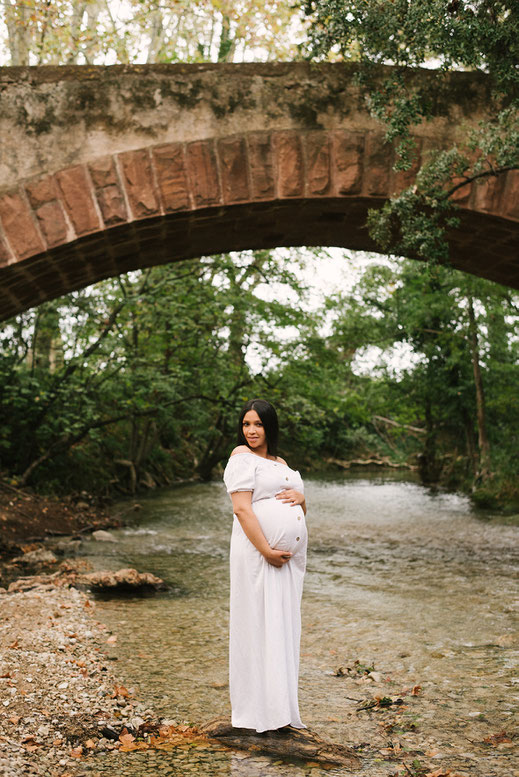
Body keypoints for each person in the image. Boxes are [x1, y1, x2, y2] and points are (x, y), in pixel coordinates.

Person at [223, 398, 308, 733]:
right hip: (258, 555)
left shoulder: (280, 462)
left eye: (257, 424)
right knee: (257, 623)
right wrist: (267, 551)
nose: (251, 431)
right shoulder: (240, 457)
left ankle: (280, 710)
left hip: (286, 562)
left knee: (283, 626)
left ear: (269, 427)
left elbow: (295, 506)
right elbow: (242, 510)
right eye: (246, 424)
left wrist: (303, 499)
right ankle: (256, 713)